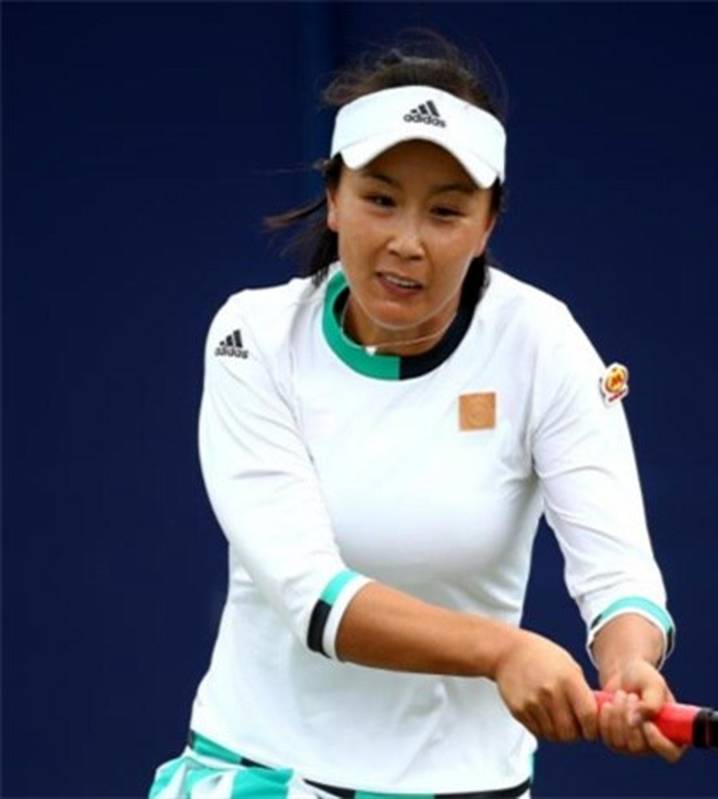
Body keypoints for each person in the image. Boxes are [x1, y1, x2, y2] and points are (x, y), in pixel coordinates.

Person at [148, 32, 682, 799]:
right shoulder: (253, 338)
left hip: (468, 784)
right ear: (335, 198)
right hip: (264, 772)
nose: (407, 242)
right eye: (380, 198)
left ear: (488, 225)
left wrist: (629, 664)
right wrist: (502, 650)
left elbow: (619, 574)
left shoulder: (544, 342)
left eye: (446, 211)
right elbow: (312, 596)